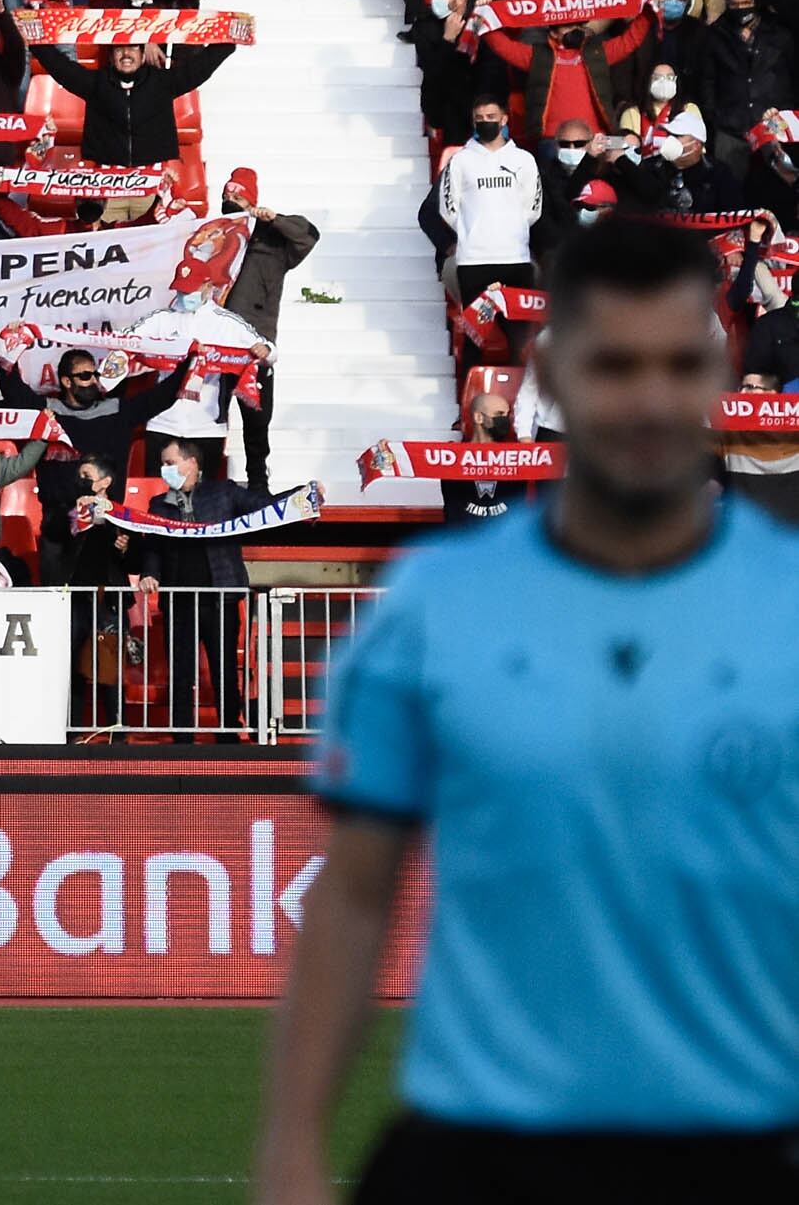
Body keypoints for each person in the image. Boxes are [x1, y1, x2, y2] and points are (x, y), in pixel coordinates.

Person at [258, 214, 799, 1205]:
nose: (648, 397)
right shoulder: (429, 604)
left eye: (680, 363)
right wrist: (291, 1144)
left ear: (721, 376)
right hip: (482, 1150)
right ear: (548, 368)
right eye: (614, 363)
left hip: (742, 1148)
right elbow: (354, 892)